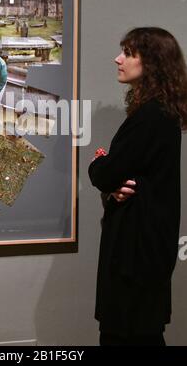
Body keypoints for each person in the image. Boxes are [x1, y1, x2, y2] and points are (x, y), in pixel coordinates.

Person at [88, 27, 187, 346]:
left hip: (135, 257)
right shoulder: (160, 113)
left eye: (129, 53)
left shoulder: (151, 116)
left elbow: (106, 172)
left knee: (128, 336)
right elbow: (123, 178)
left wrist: (99, 163)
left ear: (153, 63)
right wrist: (113, 184)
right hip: (144, 252)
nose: (118, 59)